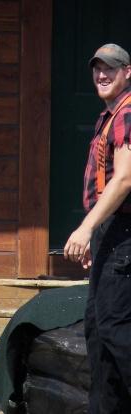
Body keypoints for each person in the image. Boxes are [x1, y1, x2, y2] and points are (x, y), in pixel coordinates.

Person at [64, 43, 131, 413]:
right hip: (111, 233)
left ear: (127, 72)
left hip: (124, 233)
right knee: (98, 332)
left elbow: (124, 180)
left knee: (116, 331)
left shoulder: (128, 112)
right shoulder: (108, 116)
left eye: (111, 68)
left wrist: (86, 229)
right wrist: (95, 232)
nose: (102, 75)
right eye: (97, 69)